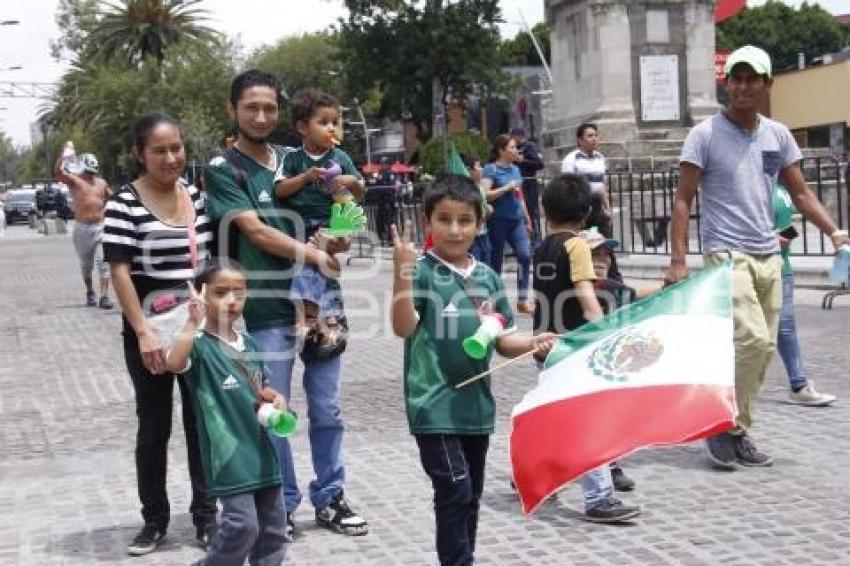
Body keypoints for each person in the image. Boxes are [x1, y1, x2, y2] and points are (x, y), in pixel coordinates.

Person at [665, 45, 849, 469]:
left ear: (768, 84)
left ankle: (733, 428)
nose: (743, 87)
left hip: (769, 254)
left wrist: (835, 232)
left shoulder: (777, 135)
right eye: (737, 78)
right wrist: (677, 259)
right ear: (726, 83)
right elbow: (683, 200)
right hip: (726, 253)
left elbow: (801, 193)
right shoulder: (705, 134)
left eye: (752, 79)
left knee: (763, 351)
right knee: (754, 339)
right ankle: (719, 423)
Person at [204, 69, 367, 539]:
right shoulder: (223, 167)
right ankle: (283, 504)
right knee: (276, 412)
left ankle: (331, 496)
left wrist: (339, 237)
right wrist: (314, 251)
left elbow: (346, 218)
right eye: (251, 107)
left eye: (269, 107)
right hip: (263, 310)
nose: (261, 116)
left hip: (324, 306)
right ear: (233, 110)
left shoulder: (299, 160)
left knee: (328, 409)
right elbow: (254, 231)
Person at [390, 174, 555, 565]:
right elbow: (402, 327)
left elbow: (503, 342)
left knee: (470, 497)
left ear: (480, 223)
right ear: (428, 222)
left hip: (476, 409)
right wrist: (402, 271)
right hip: (433, 406)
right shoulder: (422, 271)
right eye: (444, 219)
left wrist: (535, 342)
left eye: (464, 220)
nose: (454, 229)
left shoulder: (489, 277)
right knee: (454, 490)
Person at [103, 112, 218, 556]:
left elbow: (206, 260)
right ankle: (154, 520)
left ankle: (206, 515)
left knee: (201, 422)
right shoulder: (124, 202)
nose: (171, 158)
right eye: (159, 150)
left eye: (177, 148)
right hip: (150, 331)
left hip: (197, 329)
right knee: (154, 427)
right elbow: (119, 270)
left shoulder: (194, 195)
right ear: (139, 154)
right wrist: (143, 333)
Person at [533, 173, 641, 522]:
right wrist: (605, 330)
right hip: (573, 345)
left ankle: (537, 478)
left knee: (562, 418)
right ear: (585, 214)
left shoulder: (541, 247)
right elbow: (585, 294)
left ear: (545, 210)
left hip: (544, 343)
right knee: (586, 422)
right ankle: (598, 498)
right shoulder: (577, 245)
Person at [165, 263, 288, 566]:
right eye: (221, 293)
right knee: (242, 526)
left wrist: (276, 399)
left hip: (261, 451)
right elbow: (173, 363)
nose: (232, 300)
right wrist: (191, 323)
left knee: (273, 530)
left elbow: (262, 390)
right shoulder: (199, 346)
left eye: (239, 293)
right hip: (229, 455)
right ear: (203, 296)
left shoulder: (251, 343)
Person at [274, 88, 365, 359]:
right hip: (301, 225)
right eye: (324, 122)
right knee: (319, 266)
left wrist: (349, 182)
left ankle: (311, 318)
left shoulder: (341, 158)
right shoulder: (292, 159)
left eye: (335, 122)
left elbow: (360, 190)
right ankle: (332, 320)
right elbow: (280, 190)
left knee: (315, 259)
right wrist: (305, 178)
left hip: (333, 222)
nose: (332, 128)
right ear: (303, 126)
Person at [773, 184, 837, 406]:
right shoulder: (753, 183)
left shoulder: (783, 186)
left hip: (782, 266)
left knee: (786, 327)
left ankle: (799, 384)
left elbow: (794, 218)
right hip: (757, 266)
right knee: (748, 334)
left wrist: (834, 233)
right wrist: (767, 239)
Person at [480, 134, 534, 314]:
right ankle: (494, 301)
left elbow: (520, 196)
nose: (515, 150)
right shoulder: (490, 169)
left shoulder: (516, 170)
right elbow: (484, 194)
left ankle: (522, 299)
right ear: (501, 150)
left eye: (515, 147)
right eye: (511, 147)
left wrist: (527, 218)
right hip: (498, 222)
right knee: (495, 262)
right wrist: (505, 188)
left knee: (525, 255)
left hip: (516, 220)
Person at [55, 151, 115, 308]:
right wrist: (64, 156)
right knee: (86, 265)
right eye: (89, 171)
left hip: (101, 227)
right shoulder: (74, 181)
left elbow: (112, 197)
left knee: (104, 262)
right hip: (82, 229)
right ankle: (90, 291)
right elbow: (58, 173)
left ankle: (104, 296)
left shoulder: (101, 183)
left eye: (93, 171)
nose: (91, 174)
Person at [560, 123, 612, 237]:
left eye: (595, 135)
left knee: (604, 242)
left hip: (598, 208)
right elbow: (567, 186)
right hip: (581, 208)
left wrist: (607, 208)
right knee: (586, 244)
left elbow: (602, 185)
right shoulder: (571, 159)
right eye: (590, 136)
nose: (594, 139)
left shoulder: (600, 158)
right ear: (580, 140)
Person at [510, 127, 545, 246]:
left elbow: (539, 164)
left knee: (532, 213)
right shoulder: (514, 149)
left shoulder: (530, 147)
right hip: (517, 185)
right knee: (520, 213)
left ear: (519, 136)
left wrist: (522, 160)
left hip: (529, 185)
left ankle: (536, 241)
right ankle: (522, 242)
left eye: (513, 137)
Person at [461, 153, 493, 264]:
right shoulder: (464, 190)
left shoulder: (480, 188)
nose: (481, 169)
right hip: (472, 239)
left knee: (486, 267)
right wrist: (486, 211)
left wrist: (488, 210)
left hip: (484, 234)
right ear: (469, 170)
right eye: (478, 166)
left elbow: (484, 210)